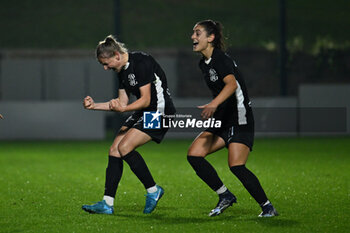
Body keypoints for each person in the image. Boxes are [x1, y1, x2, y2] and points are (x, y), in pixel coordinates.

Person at [188, 19, 278, 217]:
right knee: (194, 154)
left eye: (198, 33)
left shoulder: (221, 59)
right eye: (193, 33)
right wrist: (215, 108)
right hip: (222, 118)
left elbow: (231, 86)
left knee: (236, 165)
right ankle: (225, 195)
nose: (193, 37)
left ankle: (267, 207)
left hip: (239, 117)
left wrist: (213, 104)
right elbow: (221, 91)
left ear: (210, 38)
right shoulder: (203, 63)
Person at [82, 35, 176, 215]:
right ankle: (107, 203)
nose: (105, 68)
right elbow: (122, 101)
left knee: (125, 147)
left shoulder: (141, 61)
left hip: (160, 112)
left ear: (116, 55)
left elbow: (145, 99)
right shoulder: (121, 71)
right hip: (144, 111)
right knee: (114, 150)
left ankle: (153, 190)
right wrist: (94, 106)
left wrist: (123, 108)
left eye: (106, 63)